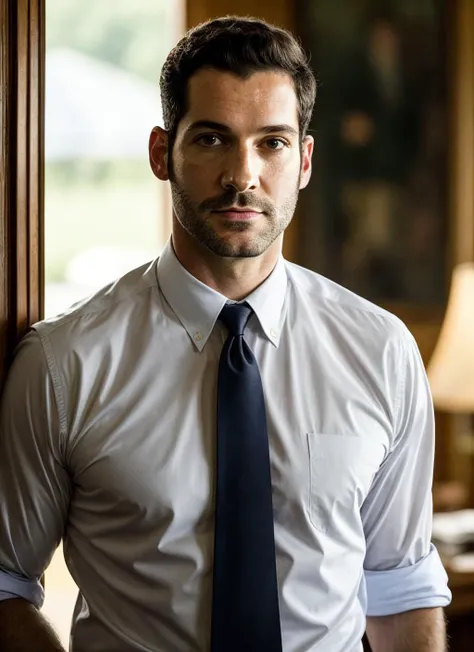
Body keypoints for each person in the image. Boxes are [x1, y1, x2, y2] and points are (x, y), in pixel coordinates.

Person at [0, 16, 451, 652]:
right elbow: (5, 584)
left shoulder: (381, 352)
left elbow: (401, 588)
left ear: (305, 160)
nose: (243, 175)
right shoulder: (63, 362)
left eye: (272, 143)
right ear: (163, 152)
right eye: (213, 139)